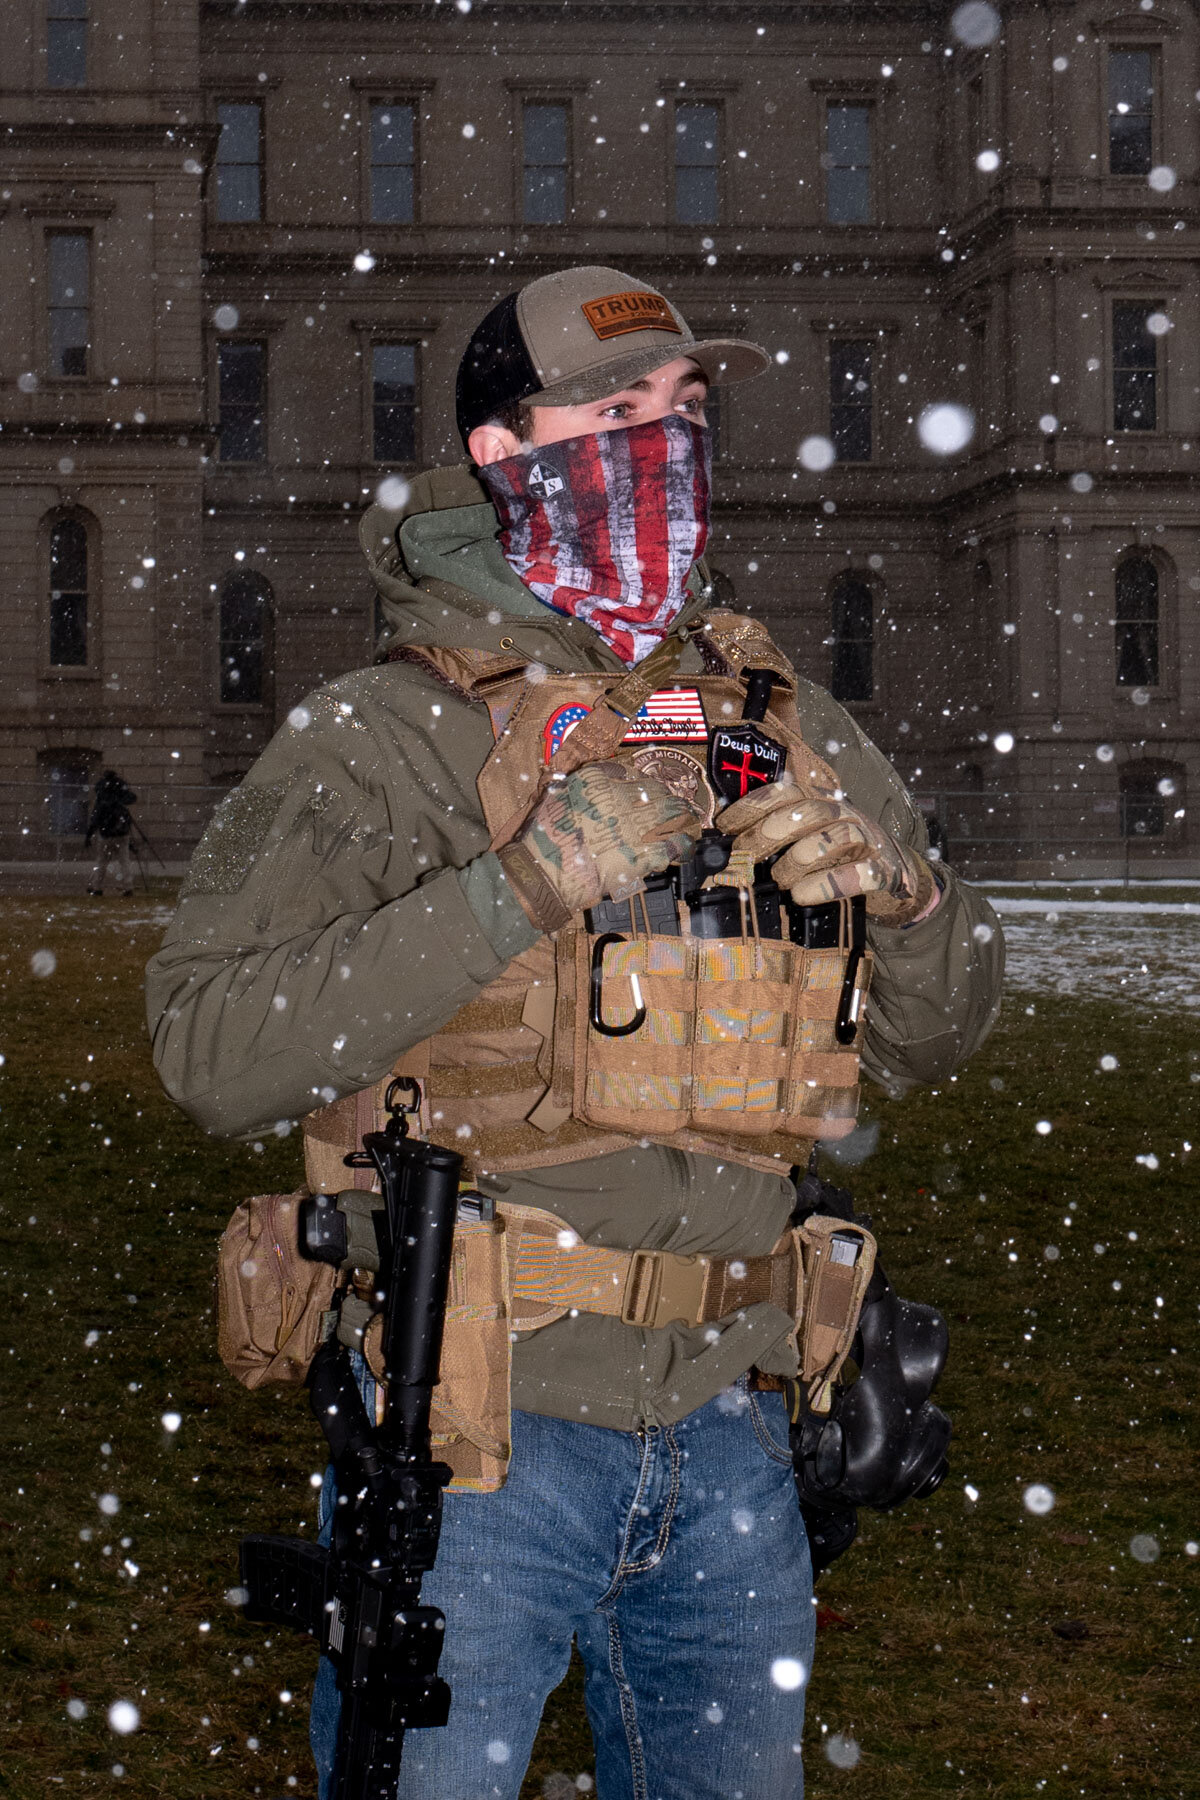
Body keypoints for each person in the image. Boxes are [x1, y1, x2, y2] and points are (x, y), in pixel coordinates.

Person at [147, 265, 1004, 1800]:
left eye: (686, 413)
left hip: (739, 1436)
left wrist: (913, 901)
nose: (666, 446)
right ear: (502, 453)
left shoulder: (776, 718)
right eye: (618, 416)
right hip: (482, 1441)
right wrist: (526, 883)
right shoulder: (386, 734)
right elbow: (207, 1043)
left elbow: (945, 1035)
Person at [85, 768, 137, 895]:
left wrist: (89, 835)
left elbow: (95, 818)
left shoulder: (102, 800)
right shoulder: (120, 799)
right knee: (124, 861)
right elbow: (132, 799)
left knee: (102, 861)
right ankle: (128, 887)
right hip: (122, 834)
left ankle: (97, 887)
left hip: (106, 834)